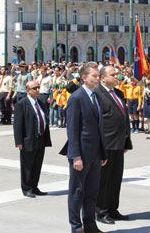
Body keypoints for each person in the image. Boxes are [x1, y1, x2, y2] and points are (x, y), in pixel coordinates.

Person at [64, 62, 107, 233]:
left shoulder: (95, 96)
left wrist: (103, 153)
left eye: (98, 76)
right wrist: (76, 156)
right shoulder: (76, 98)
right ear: (84, 77)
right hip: (81, 155)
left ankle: (90, 224)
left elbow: (99, 128)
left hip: (95, 155)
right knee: (77, 191)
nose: (97, 79)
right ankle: (76, 226)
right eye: (94, 76)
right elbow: (72, 130)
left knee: (91, 192)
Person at [94, 66, 132, 225]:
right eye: (113, 74)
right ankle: (101, 211)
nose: (117, 77)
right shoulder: (97, 94)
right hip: (106, 144)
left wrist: (126, 141)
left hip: (118, 143)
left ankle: (112, 208)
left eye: (117, 74)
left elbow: (124, 118)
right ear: (102, 78)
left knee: (116, 179)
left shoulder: (118, 93)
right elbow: (96, 121)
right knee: (104, 179)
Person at [14, 80, 52, 198]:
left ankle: (34, 186)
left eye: (38, 88)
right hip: (28, 139)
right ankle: (27, 188)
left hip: (40, 137)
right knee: (27, 166)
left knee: (37, 164)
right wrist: (19, 141)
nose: (37, 90)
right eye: (34, 88)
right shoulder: (22, 104)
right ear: (27, 90)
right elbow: (18, 124)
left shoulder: (40, 102)